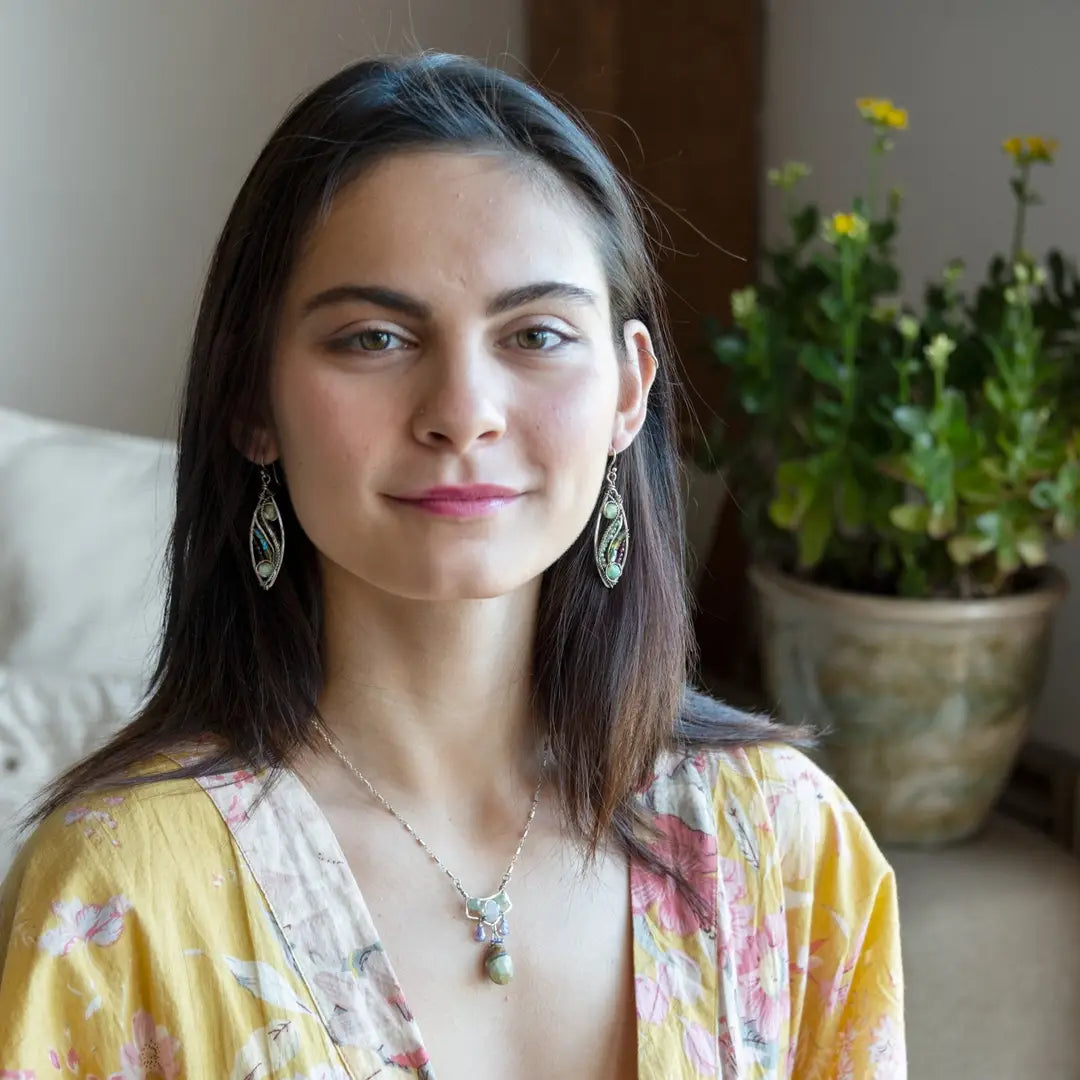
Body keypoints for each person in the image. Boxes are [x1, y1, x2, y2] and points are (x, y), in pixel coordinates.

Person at [0, 53, 904, 1079]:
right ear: (253, 404)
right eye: (376, 337)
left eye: (537, 334)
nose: (463, 411)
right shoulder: (116, 895)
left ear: (627, 390)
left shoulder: (784, 844)